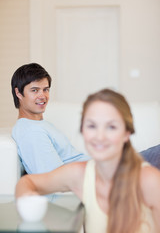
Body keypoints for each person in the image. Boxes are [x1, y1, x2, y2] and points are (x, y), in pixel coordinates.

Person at [16, 88, 160, 233]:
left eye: (111, 127)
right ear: (83, 131)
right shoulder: (79, 174)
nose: (100, 136)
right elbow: (27, 182)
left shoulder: (150, 181)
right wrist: (30, 206)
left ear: (126, 133)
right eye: (92, 126)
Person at [11, 63, 89, 175]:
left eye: (45, 89)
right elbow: (54, 179)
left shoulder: (39, 124)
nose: (42, 96)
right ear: (18, 92)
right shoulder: (31, 132)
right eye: (34, 90)